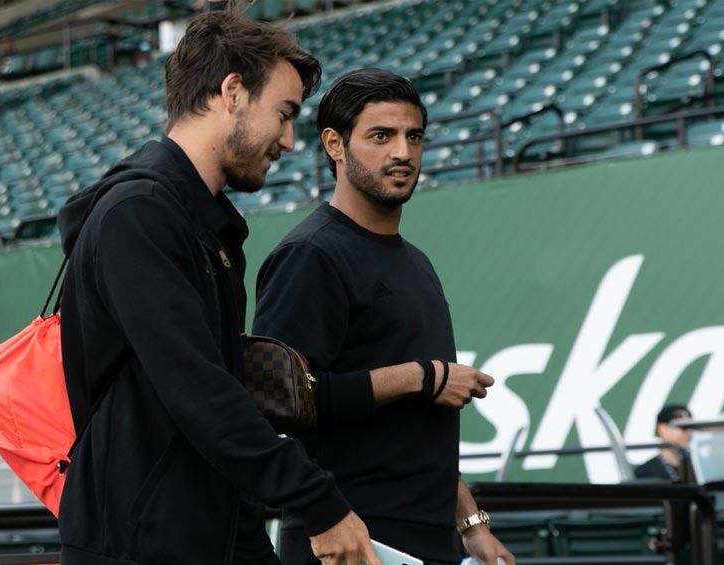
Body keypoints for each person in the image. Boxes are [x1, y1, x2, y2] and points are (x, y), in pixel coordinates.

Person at [55, 11, 380, 565]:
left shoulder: (208, 227)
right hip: (138, 544)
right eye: (283, 114)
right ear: (232, 92)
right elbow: (198, 389)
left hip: (213, 533)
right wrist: (315, 499)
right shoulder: (137, 215)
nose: (288, 139)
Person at [253, 68, 516, 565]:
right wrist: (421, 377)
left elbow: (420, 428)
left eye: (413, 136)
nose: (403, 152)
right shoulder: (311, 255)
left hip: (427, 538)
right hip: (348, 540)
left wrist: (470, 523)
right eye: (381, 136)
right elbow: (276, 404)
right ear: (335, 144)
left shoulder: (414, 261)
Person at [635, 404, 693, 482]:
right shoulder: (646, 472)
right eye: (681, 426)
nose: (688, 432)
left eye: (690, 427)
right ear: (662, 429)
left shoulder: (701, 466)